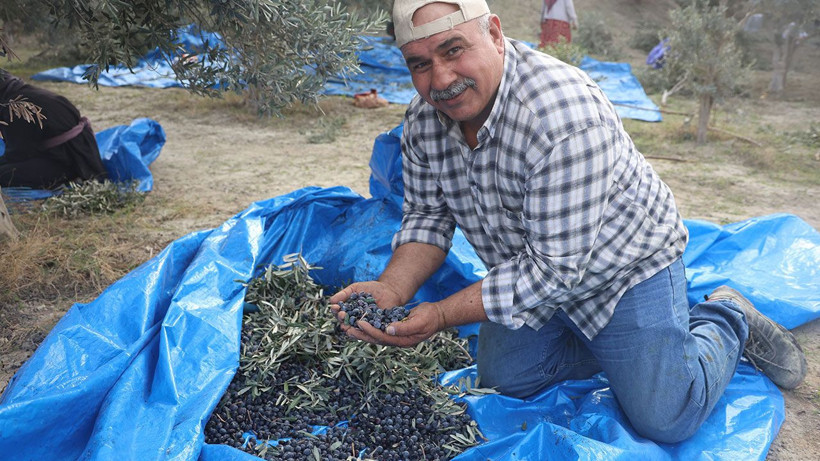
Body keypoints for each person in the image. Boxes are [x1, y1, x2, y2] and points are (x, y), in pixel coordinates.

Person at [330, 0, 807, 444]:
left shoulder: (563, 115)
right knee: (507, 384)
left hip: (623, 271)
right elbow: (428, 217)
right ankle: (633, 355)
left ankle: (725, 317)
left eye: (453, 51)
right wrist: (392, 289)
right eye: (420, 64)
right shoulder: (423, 121)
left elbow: (553, 269)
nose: (441, 79)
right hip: (529, 268)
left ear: (495, 34)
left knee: (666, 416)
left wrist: (437, 315)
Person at [0, 70, 107, 188]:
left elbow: (19, 153)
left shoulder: (15, 109)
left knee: (4, 174)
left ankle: (69, 179)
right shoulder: (22, 93)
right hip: (74, 151)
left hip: (70, 161)